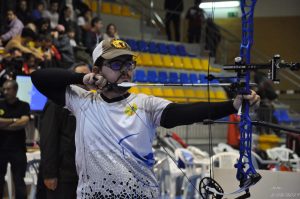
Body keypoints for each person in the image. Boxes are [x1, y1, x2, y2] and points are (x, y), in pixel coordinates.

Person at [31, 38, 260, 198]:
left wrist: (232, 105)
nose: (126, 70)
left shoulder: (145, 104)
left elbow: (184, 113)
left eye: (129, 64)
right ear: (97, 69)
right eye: (116, 64)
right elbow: (39, 78)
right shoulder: (82, 101)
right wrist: (82, 79)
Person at [37, 63, 90, 199]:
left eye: (87, 78)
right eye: (80, 78)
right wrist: (49, 174)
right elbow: (48, 140)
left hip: (81, 175)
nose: (84, 83)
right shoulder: (56, 103)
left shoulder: (89, 104)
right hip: (61, 175)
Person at [0, 80, 30, 199]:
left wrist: (5, 124)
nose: (5, 91)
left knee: (19, 181)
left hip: (18, 150)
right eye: (4, 89)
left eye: (8, 89)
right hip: (1, 149)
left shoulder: (24, 105)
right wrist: (14, 121)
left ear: (15, 90)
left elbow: (24, 122)